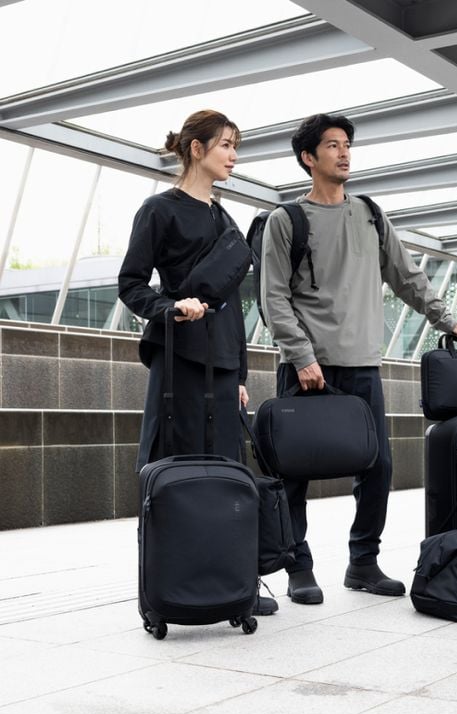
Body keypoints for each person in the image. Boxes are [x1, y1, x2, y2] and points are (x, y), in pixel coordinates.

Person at [260, 112, 457, 605]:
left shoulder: (369, 214)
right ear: (308, 158)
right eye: (333, 145)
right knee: (293, 468)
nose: (344, 153)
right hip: (307, 368)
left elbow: (407, 278)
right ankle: (298, 565)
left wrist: (451, 321)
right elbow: (274, 297)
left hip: (362, 365)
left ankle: (362, 561)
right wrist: (300, 356)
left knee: (378, 466)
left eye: (347, 145)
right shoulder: (286, 221)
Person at [118, 109, 277, 616]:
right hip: (179, 361)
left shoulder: (223, 218)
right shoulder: (159, 210)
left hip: (222, 363)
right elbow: (131, 285)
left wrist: (241, 376)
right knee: (176, 467)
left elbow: (234, 306)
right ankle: (169, 584)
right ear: (196, 149)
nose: (234, 156)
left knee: (228, 473)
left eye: (236, 146)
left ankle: (232, 582)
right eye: (226, 145)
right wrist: (170, 307)